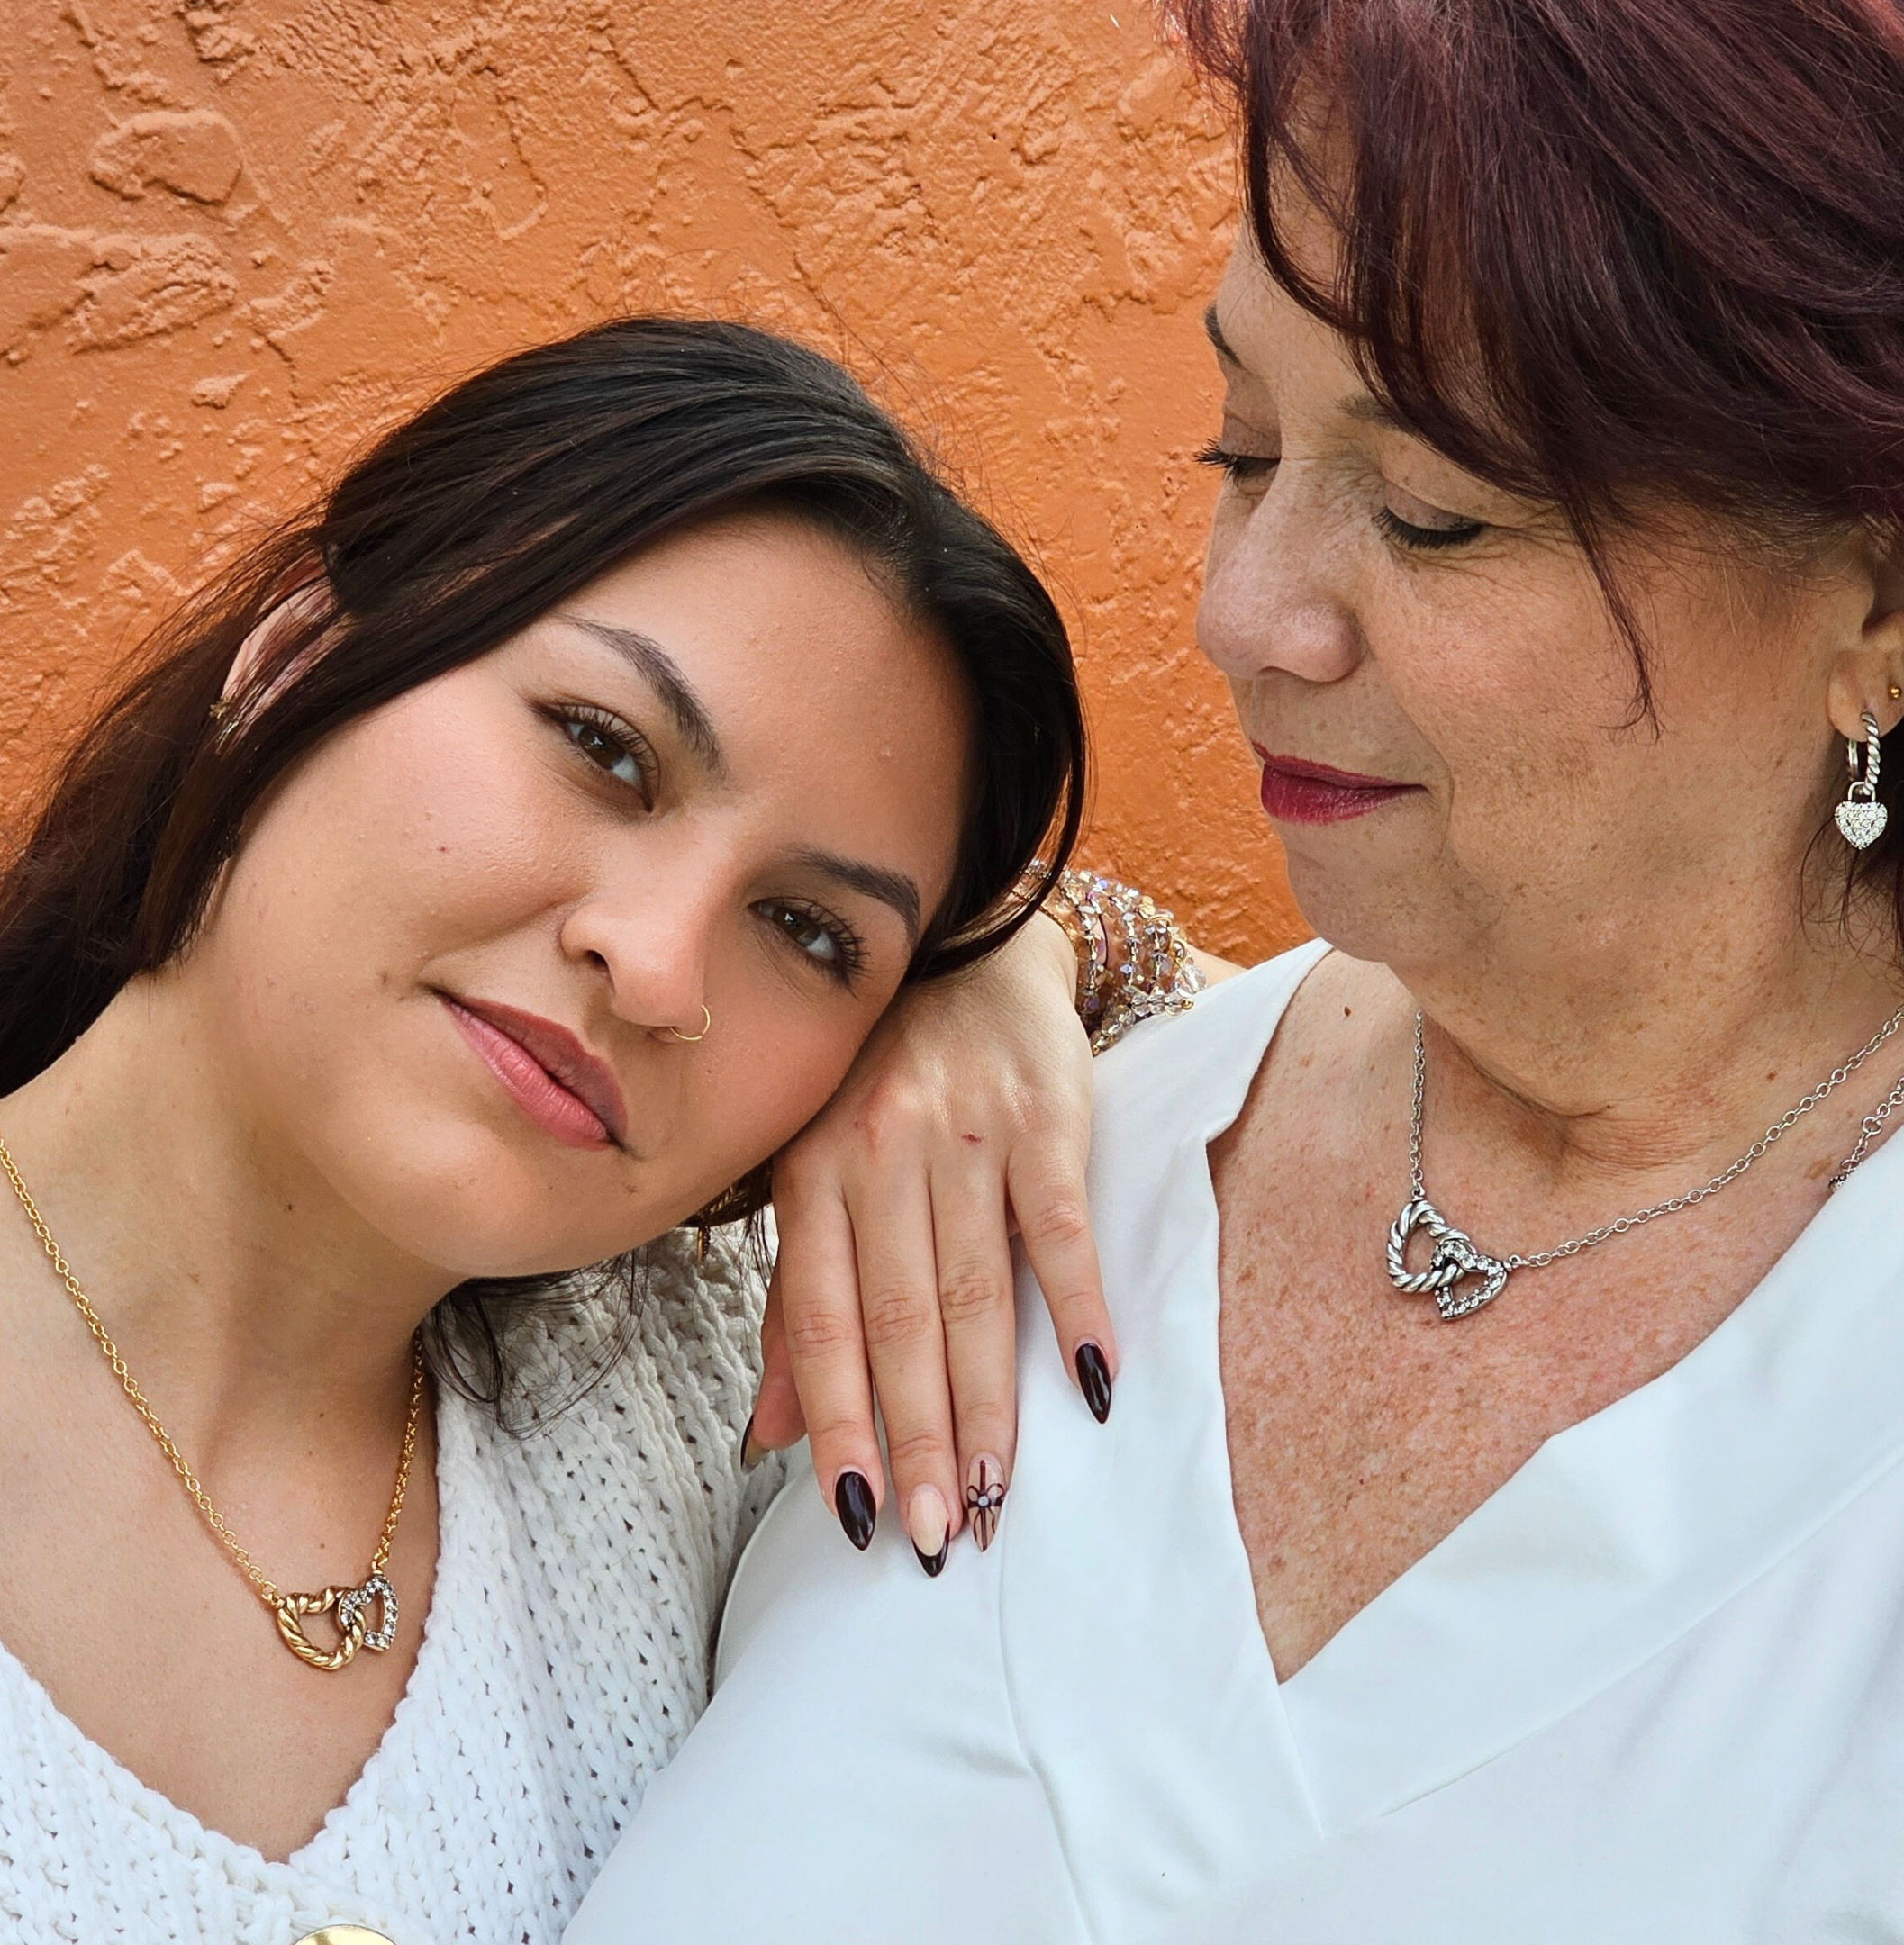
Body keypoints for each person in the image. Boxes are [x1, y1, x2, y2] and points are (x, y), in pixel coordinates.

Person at [564, 1, 1904, 1940]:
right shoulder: (1004, 1138)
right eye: (1243, 446)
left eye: (1433, 514)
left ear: (1881, 604)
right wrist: (972, 950)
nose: (1242, 614)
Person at [0, 313, 1156, 1944]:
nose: (661, 963)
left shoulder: (711, 1394)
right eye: (607, 751)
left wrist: (1001, 992)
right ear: (297, 652)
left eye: (811, 934)